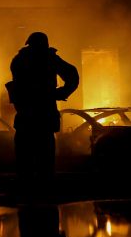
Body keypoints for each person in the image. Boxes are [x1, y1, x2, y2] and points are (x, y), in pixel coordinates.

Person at [7, 32, 79, 184]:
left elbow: (19, 85)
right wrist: (60, 92)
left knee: (25, 157)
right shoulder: (49, 58)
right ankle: (43, 188)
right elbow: (72, 74)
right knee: (44, 156)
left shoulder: (20, 60)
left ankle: (28, 187)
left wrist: (60, 92)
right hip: (43, 115)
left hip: (27, 115)